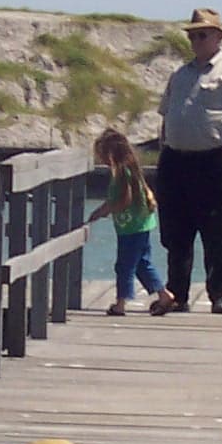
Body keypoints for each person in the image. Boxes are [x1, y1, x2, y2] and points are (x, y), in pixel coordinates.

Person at [153, 7, 222, 314]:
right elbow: (166, 114)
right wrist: (165, 148)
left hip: (211, 162)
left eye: (202, 35)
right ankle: (177, 293)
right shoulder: (180, 74)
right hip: (175, 161)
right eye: (192, 35)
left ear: (218, 37)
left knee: (215, 232)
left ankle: (220, 293)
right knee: (175, 232)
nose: (196, 40)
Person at [86, 127, 163, 316]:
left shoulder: (122, 175)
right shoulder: (130, 171)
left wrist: (102, 211)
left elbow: (122, 200)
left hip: (132, 229)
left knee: (124, 265)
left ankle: (120, 303)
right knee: (142, 263)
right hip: (140, 225)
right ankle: (164, 295)